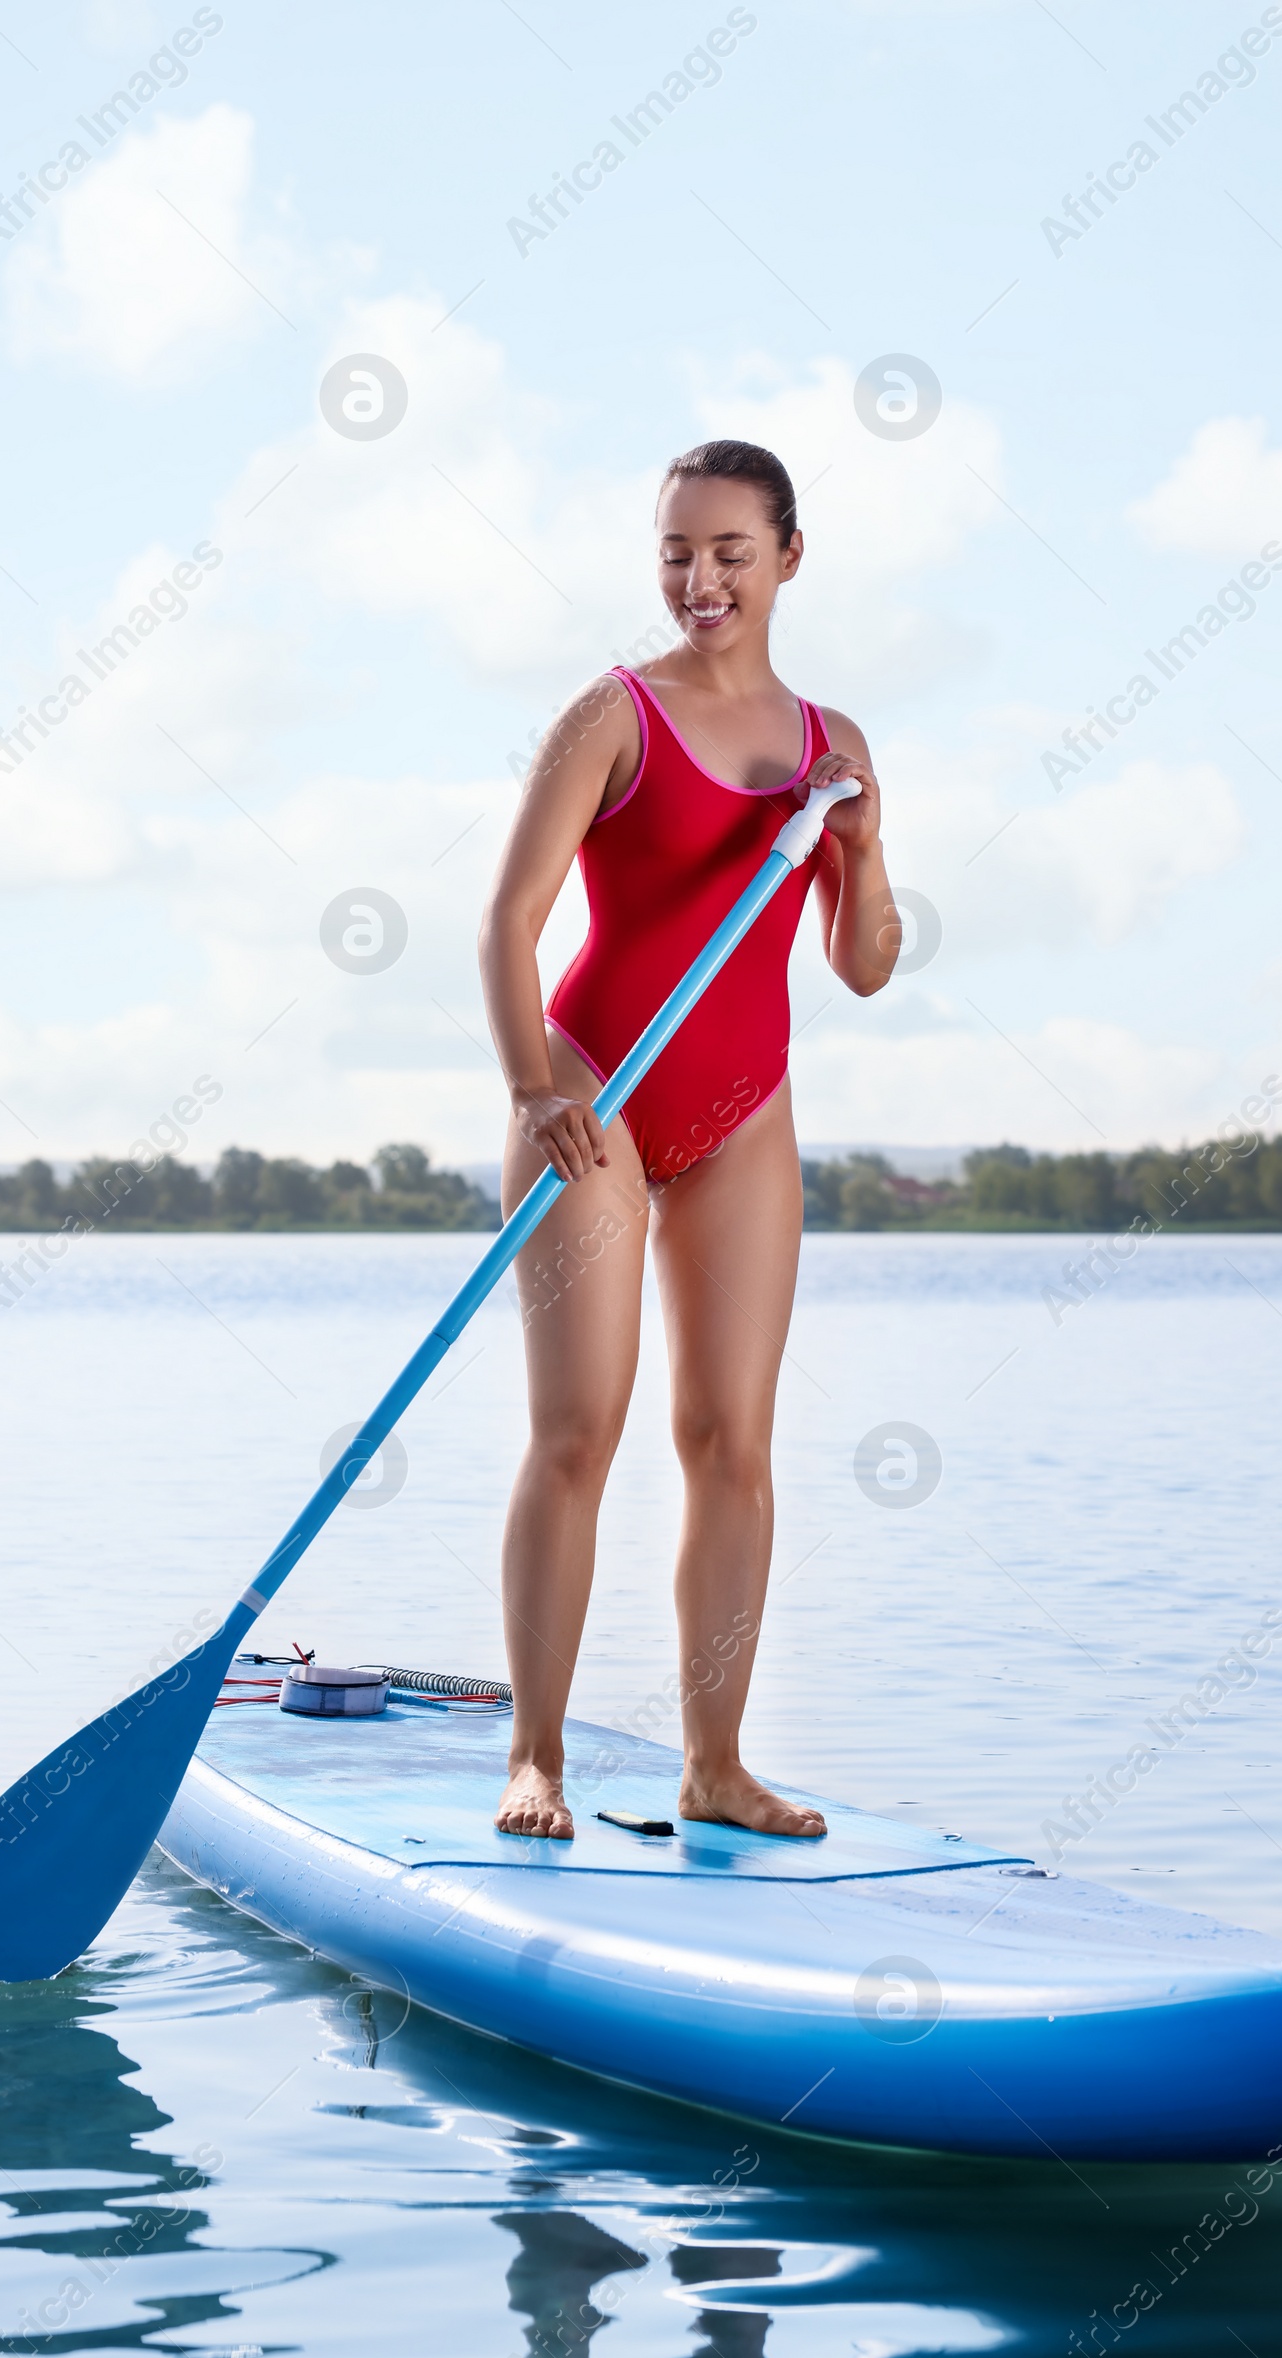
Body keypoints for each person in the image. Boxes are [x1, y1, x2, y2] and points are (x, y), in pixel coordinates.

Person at [479, 438, 899, 1841]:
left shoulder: (833, 747)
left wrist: (866, 840)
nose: (699, 578)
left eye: (729, 551)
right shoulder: (612, 716)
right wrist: (537, 1090)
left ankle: (714, 1765)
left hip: (744, 1113)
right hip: (593, 1099)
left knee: (731, 1441)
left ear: (788, 557)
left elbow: (864, 965)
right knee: (577, 1435)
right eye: (676, 551)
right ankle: (536, 1756)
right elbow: (508, 921)